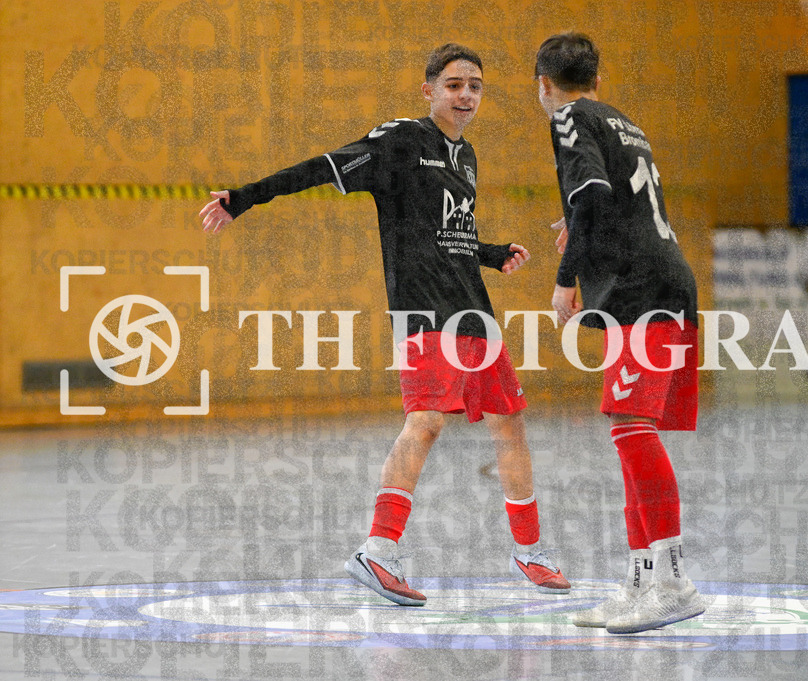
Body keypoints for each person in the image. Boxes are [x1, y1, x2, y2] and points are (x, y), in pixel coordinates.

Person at [199, 43, 569, 606]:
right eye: (453, 85)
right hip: (423, 311)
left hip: (474, 313)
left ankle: (530, 550)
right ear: (429, 91)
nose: (465, 95)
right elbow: (321, 167)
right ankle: (378, 549)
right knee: (426, 421)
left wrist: (491, 254)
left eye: (474, 86)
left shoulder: (466, 157)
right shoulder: (399, 141)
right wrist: (245, 197)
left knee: (510, 424)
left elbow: (449, 236)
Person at [534, 33, 705, 634]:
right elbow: (611, 203)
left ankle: (675, 583)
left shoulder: (568, 118)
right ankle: (638, 584)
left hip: (641, 289)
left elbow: (593, 196)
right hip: (655, 281)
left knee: (633, 429)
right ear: (597, 80)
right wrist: (576, 224)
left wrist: (565, 279)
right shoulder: (623, 122)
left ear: (544, 85)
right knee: (627, 428)